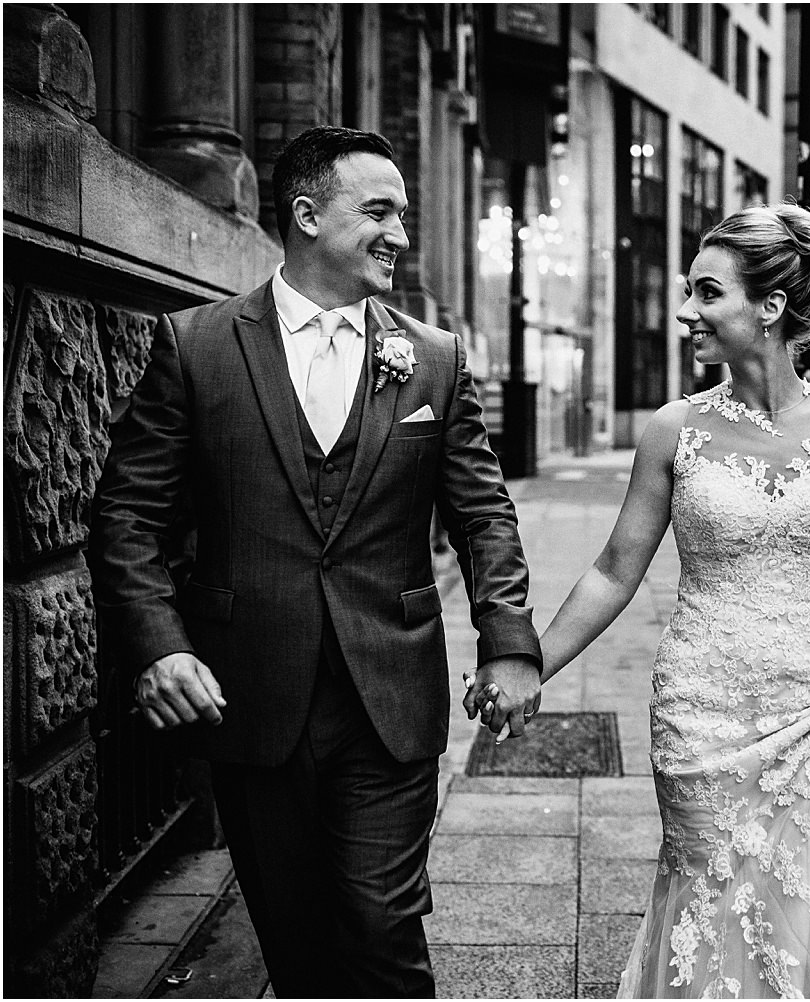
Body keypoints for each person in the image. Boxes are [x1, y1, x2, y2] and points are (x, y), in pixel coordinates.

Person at [89, 126, 542, 997]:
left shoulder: (435, 363)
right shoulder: (196, 347)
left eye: (403, 216)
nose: (400, 236)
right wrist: (160, 644)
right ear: (304, 216)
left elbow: (483, 514)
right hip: (252, 696)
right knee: (294, 947)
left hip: (390, 696)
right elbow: (129, 516)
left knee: (381, 929)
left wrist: (510, 643)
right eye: (378, 211)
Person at [536, 203, 810, 998]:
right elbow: (615, 570)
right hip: (704, 719)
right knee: (719, 924)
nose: (686, 311)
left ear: (770, 307)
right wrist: (531, 664)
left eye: (706, 292)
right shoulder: (673, 430)